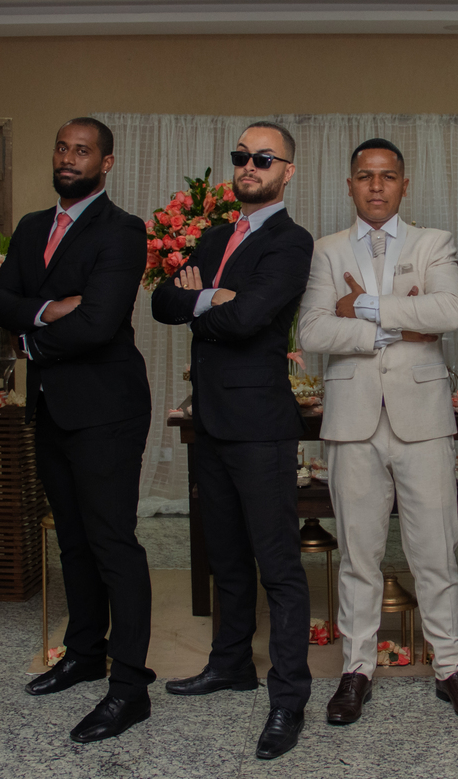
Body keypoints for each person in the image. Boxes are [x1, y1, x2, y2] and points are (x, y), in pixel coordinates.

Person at [297, 138, 458, 725]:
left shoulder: (434, 242)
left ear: (405, 185)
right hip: (352, 419)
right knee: (358, 554)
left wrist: (363, 307)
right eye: (365, 176)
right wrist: (395, 324)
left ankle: (451, 667)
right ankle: (356, 669)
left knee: (436, 548)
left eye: (387, 176)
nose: (376, 185)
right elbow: (312, 331)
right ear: (350, 185)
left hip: (422, 419)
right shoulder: (326, 250)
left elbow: (448, 312)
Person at [0, 118, 155, 743]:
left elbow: (101, 323)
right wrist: (50, 309)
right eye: (61, 147)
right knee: (74, 542)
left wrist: (29, 337)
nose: (68, 158)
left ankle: (129, 687)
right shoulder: (32, 227)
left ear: (105, 164)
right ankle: (84, 653)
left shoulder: (122, 230)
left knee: (112, 544)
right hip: (52, 407)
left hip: (108, 409)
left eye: (82, 151)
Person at [151, 121, 314, 760]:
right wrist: (212, 297)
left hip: (260, 425)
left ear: (287, 172)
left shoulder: (291, 241)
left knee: (278, 564)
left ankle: (289, 697)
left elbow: (248, 318)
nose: (250, 165)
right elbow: (162, 303)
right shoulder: (215, 236)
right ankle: (230, 664)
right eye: (242, 156)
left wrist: (206, 301)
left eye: (264, 158)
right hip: (210, 421)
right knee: (225, 555)